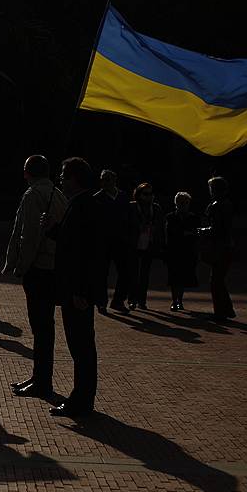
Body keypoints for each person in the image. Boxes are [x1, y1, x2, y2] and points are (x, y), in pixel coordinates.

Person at [4, 155, 67, 398]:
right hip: (53, 267)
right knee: (45, 327)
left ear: (26, 173)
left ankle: (42, 381)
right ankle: (40, 376)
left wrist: (21, 265)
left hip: (39, 268)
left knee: (41, 327)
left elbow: (29, 235)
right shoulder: (58, 194)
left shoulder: (33, 195)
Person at [46, 157, 103, 417]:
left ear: (75, 178)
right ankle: (81, 398)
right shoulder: (79, 204)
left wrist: (81, 291)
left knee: (81, 347)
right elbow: (71, 241)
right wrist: (53, 230)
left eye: (64, 175)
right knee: (79, 346)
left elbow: (87, 253)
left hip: (77, 291)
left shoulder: (84, 205)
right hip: (74, 288)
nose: (60, 179)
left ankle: (81, 400)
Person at [93, 169, 133, 313]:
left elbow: (128, 217)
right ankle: (101, 302)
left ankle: (118, 301)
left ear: (114, 180)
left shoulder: (122, 196)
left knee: (125, 271)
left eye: (107, 179)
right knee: (101, 273)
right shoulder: (97, 198)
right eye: (102, 179)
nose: (104, 182)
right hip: (103, 241)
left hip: (121, 240)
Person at [199, 176, 236, 320]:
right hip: (227, 246)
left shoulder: (216, 206)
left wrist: (202, 231)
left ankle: (221, 312)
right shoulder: (227, 204)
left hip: (219, 247)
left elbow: (216, 229)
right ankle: (227, 309)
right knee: (218, 279)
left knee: (216, 281)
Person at [127, 183, 164, 310]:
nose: (149, 197)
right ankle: (132, 299)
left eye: (151, 194)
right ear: (139, 195)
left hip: (149, 243)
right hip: (134, 243)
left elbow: (160, 225)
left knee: (144, 274)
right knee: (133, 273)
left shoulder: (156, 208)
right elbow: (127, 223)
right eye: (146, 194)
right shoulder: (132, 207)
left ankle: (141, 300)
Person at [164, 191, 199, 311]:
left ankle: (178, 300)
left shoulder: (192, 217)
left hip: (186, 252)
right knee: (175, 278)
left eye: (185, 202)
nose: (183, 205)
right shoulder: (171, 217)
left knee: (181, 278)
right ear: (176, 203)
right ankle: (176, 301)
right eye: (181, 202)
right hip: (175, 251)